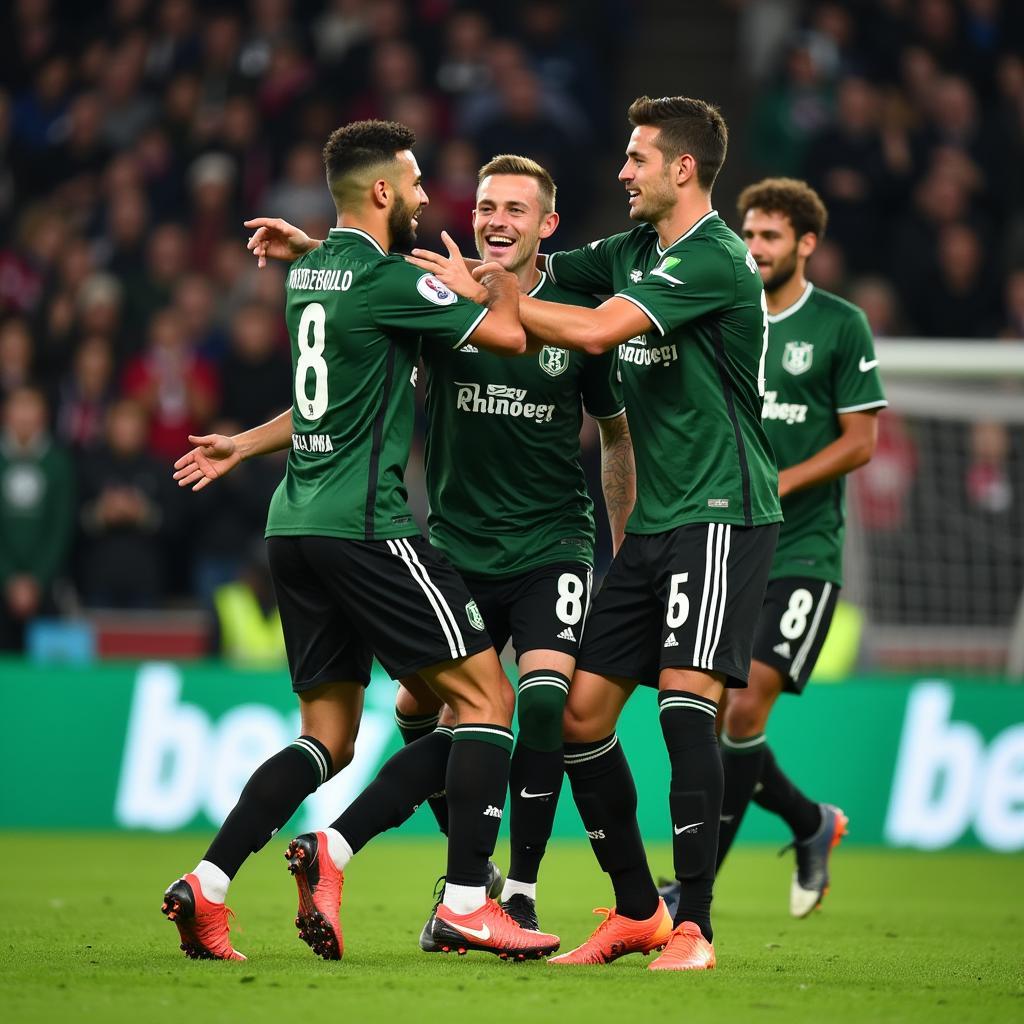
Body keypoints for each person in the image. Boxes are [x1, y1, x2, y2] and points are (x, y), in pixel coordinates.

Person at [161, 119, 560, 963]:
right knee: (489, 699)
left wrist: (241, 442)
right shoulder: (382, 280)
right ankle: (465, 905)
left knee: (329, 739)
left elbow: (326, 387)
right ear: (382, 192)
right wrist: (481, 285)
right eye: (414, 185)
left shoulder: (310, 272)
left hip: (293, 528)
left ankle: (209, 881)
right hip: (366, 529)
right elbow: (511, 338)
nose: (423, 199)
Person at [411, 95, 782, 971]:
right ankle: (636, 909)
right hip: (654, 525)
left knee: (687, 707)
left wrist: (494, 295)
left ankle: (694, 927)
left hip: (721, 512)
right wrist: (334, 257)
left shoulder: (716, 261)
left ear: (681, 168)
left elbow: (589, 327)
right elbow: (534, 269)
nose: (622, 171)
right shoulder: (633, 251)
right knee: (579, 716)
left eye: (637, 158)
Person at [247, 153, 634, 936]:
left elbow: (618, 440)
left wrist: (621, 554)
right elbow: (350, 385)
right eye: (487, 206)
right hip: (454, 545)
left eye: (516, 210)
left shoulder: (577, 310)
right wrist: (318, 257)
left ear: (547, 226)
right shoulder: (438, 298)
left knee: (543, 699)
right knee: (422, 711)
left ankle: (516, 887)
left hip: (552, 544)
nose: (496, 220)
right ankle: (466, 877)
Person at [658, 178, 886, 919]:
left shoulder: (839, 325)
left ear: (806, 245)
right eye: (748, 235)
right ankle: (807, 819)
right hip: (732, 539)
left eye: (770, 238)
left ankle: (696, 894)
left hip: (805, 551)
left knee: (745, 701)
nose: (755, 249)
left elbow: (861, 441)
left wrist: (781, 480)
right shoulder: (729, 315)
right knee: (718, 705)